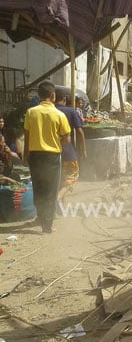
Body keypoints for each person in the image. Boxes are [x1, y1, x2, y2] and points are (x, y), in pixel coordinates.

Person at [23, 80, 71, 233]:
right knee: (51, 189)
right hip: (52, 157)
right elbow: (67, 139)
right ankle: (47, 226)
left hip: (35, 156)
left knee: (39, 188)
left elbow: (27, 135)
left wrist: (25, 156)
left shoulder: (31, 112)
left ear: (39, 95)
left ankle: (40, 217)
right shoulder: (59, 114)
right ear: (53, 95)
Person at [55, 89, 87, 203]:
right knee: (71, 177)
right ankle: (56, 201)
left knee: (59, 180)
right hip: (68, 152)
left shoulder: (49, 112)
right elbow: (79, 132)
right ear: (64, 100)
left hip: (51, 153)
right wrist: (83, 149)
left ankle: (62, 205)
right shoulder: (70, 111)